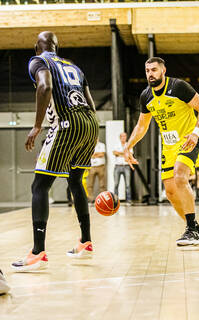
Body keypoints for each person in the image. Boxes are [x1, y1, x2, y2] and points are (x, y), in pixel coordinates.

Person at [11, 31, 99, 271]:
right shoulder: (74, 67)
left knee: (39, 186)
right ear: (57, 48)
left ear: (36, 47)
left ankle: (38, 251)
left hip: (66, 124)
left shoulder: (38, 60)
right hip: (91, 124)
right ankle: (85, 239)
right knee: (75, 181)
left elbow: (45, 85)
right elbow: (90, 104)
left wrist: (38, 125)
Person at [124, 57, 199, 246]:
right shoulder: (146, 96)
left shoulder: (179, 87)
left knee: (180, 176)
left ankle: (191, 230)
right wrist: (128, 145)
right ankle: (194, 228)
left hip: (189, 139)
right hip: (169, 146)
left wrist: (196, 133)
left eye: (154, 70)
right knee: (170, 192)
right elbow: (142, 125)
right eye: (147, 71)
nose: (150, 74)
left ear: (163, 71)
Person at [113, 132, 132, 203]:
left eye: (124, 136)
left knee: (127, 184)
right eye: (122, 136)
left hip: (126, 166)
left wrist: (120, 153)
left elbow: (130, 155)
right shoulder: (116, 144)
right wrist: (124, 153)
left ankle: (129, 200)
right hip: (117, 166)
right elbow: (115, 153)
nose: (123, 138)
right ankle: (115, 200)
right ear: (120, 137)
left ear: (126, 137)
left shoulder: (129, 145)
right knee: (116, 184)